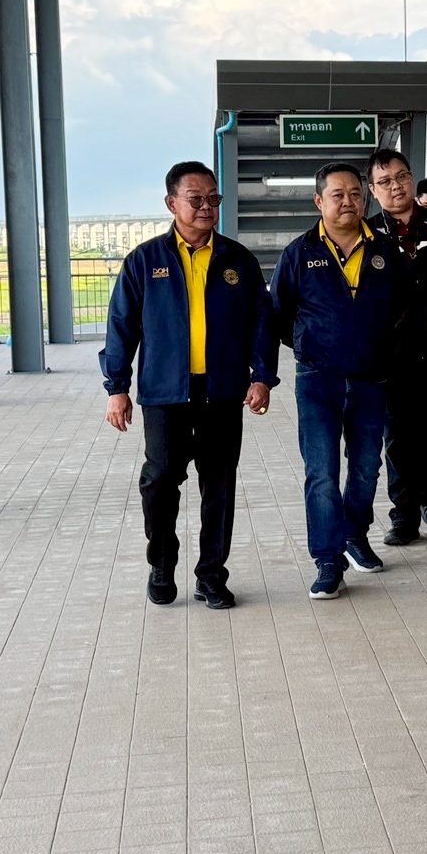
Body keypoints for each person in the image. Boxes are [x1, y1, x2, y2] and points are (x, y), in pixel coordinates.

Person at [100, 162, 276, 609]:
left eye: (213, 199)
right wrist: (117, 387)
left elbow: (262, 324)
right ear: (171, 203)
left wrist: (261, 378)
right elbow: (121, 326)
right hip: (165, 393)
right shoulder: (145, 260)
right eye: (195, 199)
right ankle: (162, 564)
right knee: (160, 480)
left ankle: (212, 576)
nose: (205, 207)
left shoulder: (237, 260)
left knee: (219, 486)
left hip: (222, 392)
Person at [273, 162, 410, 599]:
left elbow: (404, 310)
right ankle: (328, 559)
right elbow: (279, 315)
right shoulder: (299, 253)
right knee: (322, 471)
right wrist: (311, 345)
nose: (348, 201)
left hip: (371, 378)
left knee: (367, 467)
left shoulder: (385, 251)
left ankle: (354, 533)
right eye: (337, 194)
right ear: (319, 201)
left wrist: (382, 351)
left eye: (355, 193)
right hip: (318, 379)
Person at [366, 148, 427, 545]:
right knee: (397, 437)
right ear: (373, 190)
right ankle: (403, 514)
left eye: (401, 177)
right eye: (385, 182)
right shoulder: (367, 233)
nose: (396, 187)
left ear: (411, 178)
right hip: (391, 354)